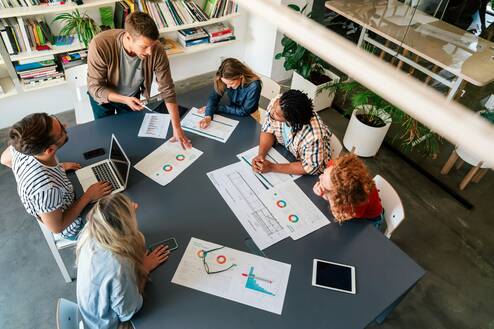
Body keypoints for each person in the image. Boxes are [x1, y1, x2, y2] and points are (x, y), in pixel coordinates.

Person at [87, 12, 191, 148]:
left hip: (132, 96)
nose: (150, 52)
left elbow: (167, 89)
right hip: (104, 98)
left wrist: (177, 128)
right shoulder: (100, 44)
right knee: (107, 137)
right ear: (128, 37)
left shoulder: (156, 49)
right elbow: (95, 87)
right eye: (144, 47)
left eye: (152, 46)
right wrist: (124, 99)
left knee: (132, 137)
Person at [0, 113, 112, 240]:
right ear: (49, 150)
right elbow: (57, 227)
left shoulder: (20, 147)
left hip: (62, 195)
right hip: (74, 225)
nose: (65, 125)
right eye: (62, 131)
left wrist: (57, 168)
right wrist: (88, 196)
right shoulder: (45, 189)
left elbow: (4, 159)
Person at [77, 193, 169, 329]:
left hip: (90, 313)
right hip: (109, 324)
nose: (136, 206)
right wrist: (144, 269)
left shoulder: (90, 230)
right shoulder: (118, 266)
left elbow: (94, 213)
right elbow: (128, 312)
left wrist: (122, 211)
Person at [252, 89, 332, 176]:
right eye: (274, 107)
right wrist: (261, 155)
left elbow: (310, 167)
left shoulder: (314, 137)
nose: (271, 112)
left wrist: (272, 167)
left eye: (277, 115)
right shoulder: (280, 103)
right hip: (287, 153)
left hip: (308, 163)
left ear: (291, 121)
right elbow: (268, 130)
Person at [313, 153, 384, 229]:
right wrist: (324, 188)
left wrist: (326, 195)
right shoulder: (335, 167)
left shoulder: (356, 202)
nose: (320, 177)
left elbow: (339, 215)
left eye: (323, 179)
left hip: (370, 220)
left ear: (338, 195)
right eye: (324, 173)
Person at [198, 58, 262, 128]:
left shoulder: (254, 86)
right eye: (226, 84)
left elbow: (244, 111)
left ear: (241, 76)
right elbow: (214, 96)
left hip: (250, 116)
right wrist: (208, 116)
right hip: (232, 110)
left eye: (231, 83)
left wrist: (216, 108)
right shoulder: (224, 77)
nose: (227, 87)